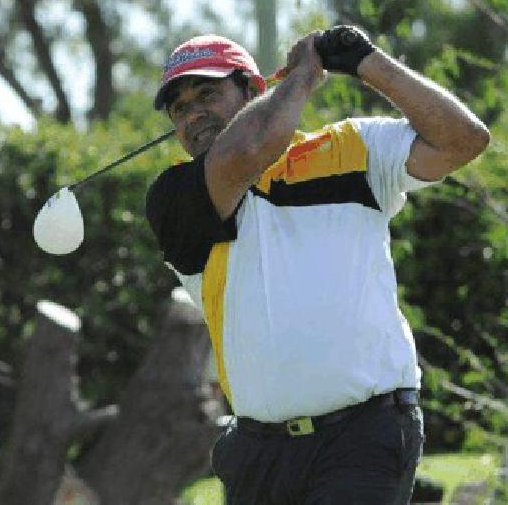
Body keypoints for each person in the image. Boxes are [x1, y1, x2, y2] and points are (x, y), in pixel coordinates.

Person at [144, 26, 490, 504]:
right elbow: (246, 150)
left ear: (252, 89)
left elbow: (464, 140)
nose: (193, 114)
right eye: (179, 108)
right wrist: (303, 77)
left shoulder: (351, 150)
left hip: (365, 436)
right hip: (257, 452)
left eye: (208, 93)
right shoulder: (174, 198)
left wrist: (367, 62)